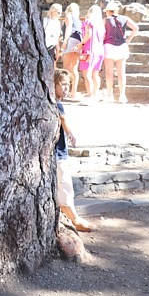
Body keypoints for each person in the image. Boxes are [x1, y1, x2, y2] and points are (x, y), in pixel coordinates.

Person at [54, 69, 96, 232]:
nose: (66, 88)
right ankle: (74, 219)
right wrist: (70, 133)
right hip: (58, 154)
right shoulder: (56, 104)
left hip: (60, 151)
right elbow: (63, 118)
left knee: (64, 183)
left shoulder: (57, 103)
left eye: (68, 85)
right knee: (64, 184)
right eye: (63, 84)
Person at [102, 1, 139, 103]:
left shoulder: (106, 20)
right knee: (121, 72)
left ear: (108, 11)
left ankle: (110, 95)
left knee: (109, 72)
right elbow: (136, 28)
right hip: (122, 46)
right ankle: (122, 95)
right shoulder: (125, 19)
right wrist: (129, 40)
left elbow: (103, 34)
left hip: (109, 46)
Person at [76, 5, 105, 99]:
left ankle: (90, 95)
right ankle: (95, 94)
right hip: (99, 50)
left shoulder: (88, 21)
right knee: (95, 74)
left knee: (86, 73)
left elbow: (88, 34)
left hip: (89, 49)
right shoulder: (101, 25)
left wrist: (81, 44)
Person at [61, 3, 82, 99]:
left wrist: (65, 41)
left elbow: (68, 28)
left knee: (66, 68)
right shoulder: (79, 20)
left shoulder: (68, 16)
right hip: (78, 41)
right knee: (74, 68)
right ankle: (73, 92)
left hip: (71, 39)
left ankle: (64, 91)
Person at [43, 3, 63, 67]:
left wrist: (58, 51)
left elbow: (57, 37)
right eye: (58, 12)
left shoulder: (57, 23)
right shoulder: (45, 20)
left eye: (60, 13)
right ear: (53, 11)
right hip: (44, 46)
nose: (59, 15)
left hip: (52, 47)